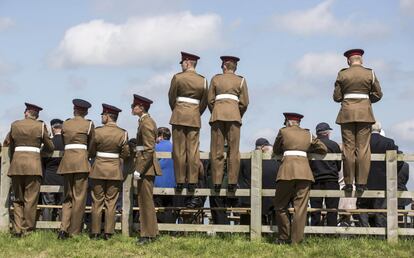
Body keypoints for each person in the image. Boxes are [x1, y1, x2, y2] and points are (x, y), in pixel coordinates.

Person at [273, 112, 327, 244]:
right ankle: (296, 240)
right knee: (301, 209)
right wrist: (307, 150)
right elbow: (323, 148)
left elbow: (276, 149)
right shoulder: (307, 134)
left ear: (288, 122)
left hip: (286, 172)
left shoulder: (283, 131)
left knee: (280, 206)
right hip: (304, 173)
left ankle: (283, 237)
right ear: (298, 122)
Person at [333, 49, 383, 193]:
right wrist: (366, 101)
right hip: (365, 114)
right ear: (361, 60)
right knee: (363, 149)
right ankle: (361, 183)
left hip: (347, 113)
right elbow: (378, 94)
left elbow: (336, 97)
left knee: (348, 149)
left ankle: (348, 183)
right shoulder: (370, 73)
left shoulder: (342, 74)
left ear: (348, 61)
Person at [5, 103, 54, 237]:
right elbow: (50, 147)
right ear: (36, 115)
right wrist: (39, 152)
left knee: (17, 199)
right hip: (34, 166)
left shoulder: (15, 125)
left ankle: (17, 230)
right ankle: (27, 230)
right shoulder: (40, 126)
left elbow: (7, 143)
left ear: (26, 112)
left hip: (17, 166)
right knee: (30, 200)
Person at [208, 55, 249, 192]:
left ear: (224, 66)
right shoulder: (241, 80)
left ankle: (217, 182)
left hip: (217, 116)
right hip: (234, 117)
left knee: (217, 150)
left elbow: (210, 100)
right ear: (235, 67)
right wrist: (237, 113)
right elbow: (244, 103)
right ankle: (232, 182)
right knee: (234, 151)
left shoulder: (216, 79)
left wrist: (216, 111)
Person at [89, 104, 129, 240]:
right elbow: (125, 153)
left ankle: (94, 232)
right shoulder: (123, 133)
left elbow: (92, 150)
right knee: (111, 203)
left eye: (102, 115)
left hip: (98, 169)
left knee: (97, 202)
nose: (101, 117)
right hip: (114, 171)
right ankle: (108, 233)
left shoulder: (98, 131)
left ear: (107, 116)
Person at [169, 52, 208, 192]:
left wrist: (177, 110)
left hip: (179, 114)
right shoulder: (202, 80)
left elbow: (171, 97)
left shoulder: (177, 78)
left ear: (186, 63)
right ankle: (192, 181)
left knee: (179, 150)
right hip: (194, 116)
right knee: (193, 150)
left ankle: (179, 180)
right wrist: (196, 113)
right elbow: (204, 101)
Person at [57, 99, 95, 239]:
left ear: (74, 109)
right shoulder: (89, 124)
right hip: (81, 163)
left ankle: (63, 229)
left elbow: (63, 142)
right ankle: (74, 231)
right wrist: (87, 155)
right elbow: (92, 144)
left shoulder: (65, 124)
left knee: (67, 197)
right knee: (79, 198)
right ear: (85, 111)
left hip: (67, 162)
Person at [131, 94, 162, 245]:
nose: (132, 108)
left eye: (134, 106)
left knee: (145, 202)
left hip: (146, 168)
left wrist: (139, 169)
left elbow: (149, 149)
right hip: (146, 166)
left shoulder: (147, 123)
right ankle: (152, 232)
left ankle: (147, 235)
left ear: (141, 108)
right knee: (145, 201)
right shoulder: (144, 121)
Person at [357, 122, 401, 228]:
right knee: (380, 210)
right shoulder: (389, 142)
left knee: (363, 208)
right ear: (380, 129)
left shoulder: (361, 143)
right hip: (383, 180)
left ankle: (363, 233)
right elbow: (399, 161)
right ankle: (380, 236)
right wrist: (391, 173)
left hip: (364, 180)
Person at [238, 138, 279, 225]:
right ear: (264, 147)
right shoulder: (274, 162)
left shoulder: (245, 160)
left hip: (248, 199)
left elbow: (240, 178)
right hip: (271, 200)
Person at [309, 122, 341, 226]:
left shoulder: (311, 146)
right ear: (327, 133)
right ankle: (331, 233)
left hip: (315, 180)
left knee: (315, 209)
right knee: (332, 209)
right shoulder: (334, 145)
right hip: (331, 179)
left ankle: (315, 232)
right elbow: (338, 165)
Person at [41, 118, 65, 222]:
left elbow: (43, 160)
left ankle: (47, 228)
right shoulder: (66, 144)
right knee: (62, 204)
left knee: (48, 204)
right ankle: (61, 227)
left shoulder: (48, 143)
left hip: (49, 177)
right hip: (63, 177)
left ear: (52, 128)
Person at [154, 127, 176, 223]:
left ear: (161, 136)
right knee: (169, 208)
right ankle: (169, 229)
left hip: (158, 182)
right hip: (172, 183)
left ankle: (159, 229)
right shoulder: (175, 147)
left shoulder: (156, 147)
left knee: (157, 208)